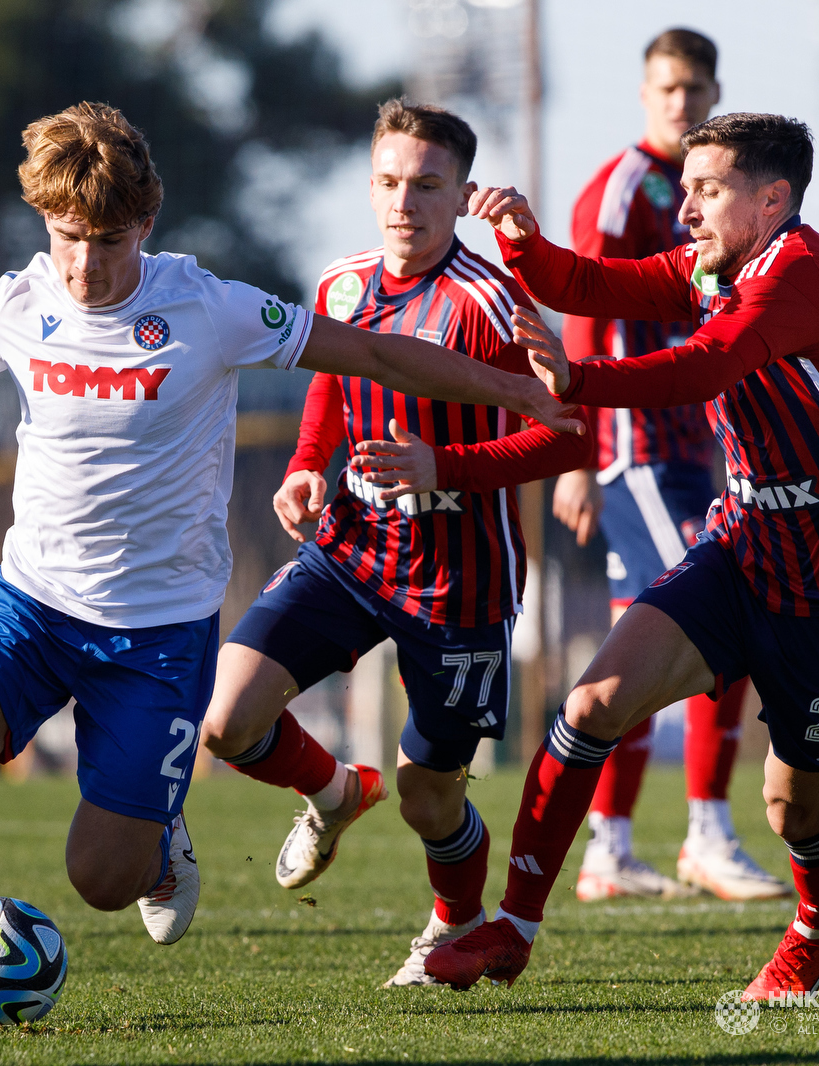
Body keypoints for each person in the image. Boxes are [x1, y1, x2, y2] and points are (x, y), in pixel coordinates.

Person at [0, 101, 581, 1030]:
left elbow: (375, 353)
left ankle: (160, 830)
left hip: (159, 637)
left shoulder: (210, 307)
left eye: (107, 240)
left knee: (101, 882)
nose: (85, 264)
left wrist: (514, 390)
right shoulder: (22, 299)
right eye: (67, 238)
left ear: (146, 223)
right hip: (32, 607)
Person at [423, 112, 819, 1001]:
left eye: (708, 190)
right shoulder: (714, 261)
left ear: (773, 200)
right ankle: (514, 928)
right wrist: (523, 244)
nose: (685, 208)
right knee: (593, 702)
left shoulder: (795, 272)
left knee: (796, 809)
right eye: (685, 188)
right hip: (742, 546)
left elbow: (701, 369)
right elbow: (595, 282)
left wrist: (577, 381)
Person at [199, 99, 589, 987]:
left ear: (460, 198)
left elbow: (568, 432)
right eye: (386, 181)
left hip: (460, 585)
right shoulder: (340, 284)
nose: (402, 202)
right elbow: (330, 390)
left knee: (430, 796)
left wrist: (441, 465)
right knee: (227, 719)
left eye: (426, 184)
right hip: (351, 551)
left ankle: (453, 923)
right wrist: (306, 466)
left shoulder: (490, 302)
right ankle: (334, 791)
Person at [556, 28, 787, 903]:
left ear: (714, 90)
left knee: (634, 649)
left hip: (701, 446)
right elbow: (581, 309)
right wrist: (576, 454)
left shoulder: (718, 195)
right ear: (645, 94)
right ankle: (706, 834)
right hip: (638, 453)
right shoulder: (621, 190)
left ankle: (610, 847)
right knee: (728, 610)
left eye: (695, 88)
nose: (681, 102)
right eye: (666, 89)